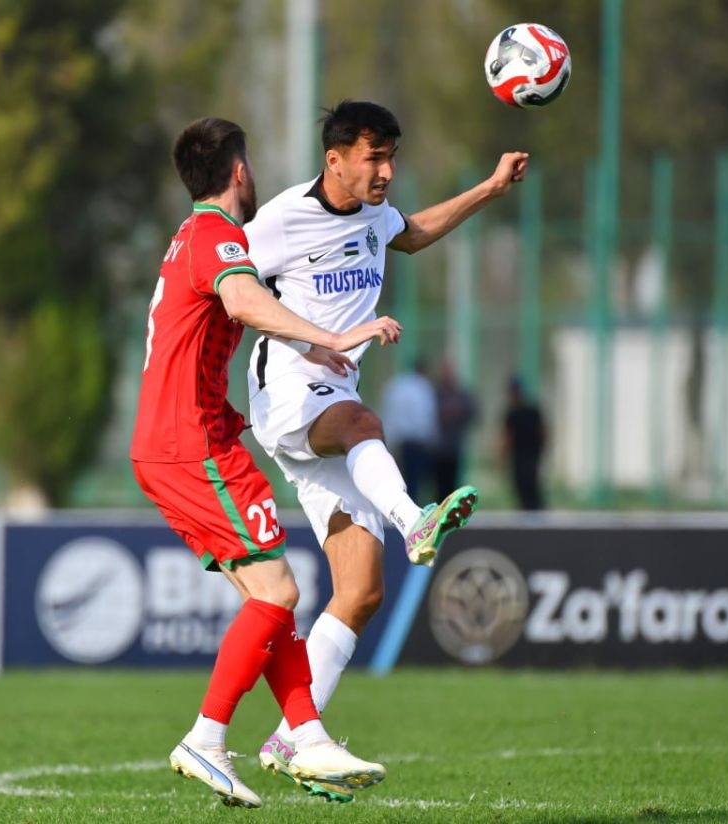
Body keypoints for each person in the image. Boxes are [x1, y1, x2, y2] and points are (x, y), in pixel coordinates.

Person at [243, 101, 528, 795]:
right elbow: (225, 287)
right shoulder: (280, 220)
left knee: (362, 592)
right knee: (364, 425)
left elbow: (413, 231)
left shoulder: (376, 215)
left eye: (392, 157)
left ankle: (290, 739)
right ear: (334, 157)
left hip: (325, 406)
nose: (387, 171)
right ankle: (415, 522)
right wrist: (308, 340)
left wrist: (489, 188)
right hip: (285, 391)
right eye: (374, 157)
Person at [129, 116, 400, 808]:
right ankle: (206, 738)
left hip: (182, 440)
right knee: (279, 593)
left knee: (268, 599)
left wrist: (309, 348)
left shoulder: (191, 238)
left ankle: (306, 734)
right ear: (240, 174)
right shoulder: (218, 234)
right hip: (191, 444)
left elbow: (242, 309)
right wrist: (335, 333)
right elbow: (245, 299)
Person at [379, 358, 438, 499]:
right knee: (413, 480)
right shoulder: (423, 388)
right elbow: (425, 416)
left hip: (396, 438)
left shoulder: (397, 385)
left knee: (396, 477)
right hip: (415, 441)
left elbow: (388, 411)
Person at [432, 360, 477, 502]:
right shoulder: (435, 393)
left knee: (451, 485)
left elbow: (472, 413)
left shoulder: (461, 394)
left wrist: (457, 414)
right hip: (437, 448)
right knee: (438, 486)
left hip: (454, 447)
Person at [501, 375, 547, 510]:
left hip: (527, 455)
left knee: (528, 484)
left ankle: (533, 509)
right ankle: (531, 509)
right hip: (524, 454)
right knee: (526, 485)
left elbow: (508, 437)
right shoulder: (522, 412)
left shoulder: (521, 412)